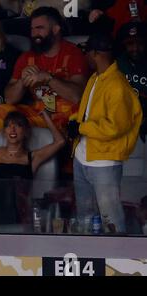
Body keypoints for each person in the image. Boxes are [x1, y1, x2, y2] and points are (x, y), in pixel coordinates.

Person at [69, 34, 142, 234]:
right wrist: (74, 122)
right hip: (84, 155)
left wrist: (81, 128)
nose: (85, 56)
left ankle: (117, 257)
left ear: (95, 53)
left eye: (86, 52)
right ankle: (85, 253)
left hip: (105, 161)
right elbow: (87, 111)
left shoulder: (117, 85)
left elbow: (115, 127)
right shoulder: (96, 77)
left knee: (110, 216)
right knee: (85, 214)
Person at [0, 7, 88, 137]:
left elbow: (77, 97)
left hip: (68, 115)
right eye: (32, 29)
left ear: (56, 29)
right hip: (39, 114)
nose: (34, 33)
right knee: (1, 111)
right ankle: (10, 155)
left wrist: (49, 78)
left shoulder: (73, 53)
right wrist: (22, 82)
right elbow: (9, 99)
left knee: (78, 115)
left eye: (40, 28)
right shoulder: (26, 57)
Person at [0, 110, 65, 230]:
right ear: (4, 132)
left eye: (18, 125)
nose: (12, 129)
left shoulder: (33, 157)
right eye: (8, 126)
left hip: (16, 213)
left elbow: (60, 141)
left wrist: (46, 118)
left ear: (25, 132)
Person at [116, 22, 147, 141]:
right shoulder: (117, 64)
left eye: (140, 43)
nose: (135, 48)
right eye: (130, 43)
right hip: (122, 127)